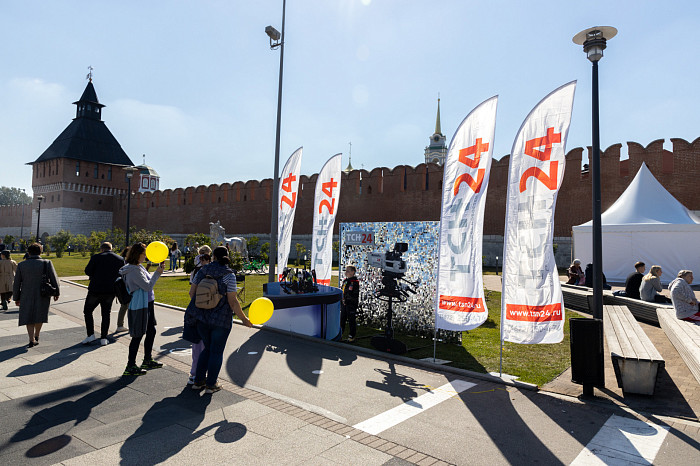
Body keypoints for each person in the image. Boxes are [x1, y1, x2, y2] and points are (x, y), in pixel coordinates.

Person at [190, 246, 252, 393]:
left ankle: (198, 382)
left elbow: (192, 293)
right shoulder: (229, 275)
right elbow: (233, 301)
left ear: (213, 257)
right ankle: (211, 384)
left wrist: (204, 305)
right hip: (221, 319)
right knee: (216, 352)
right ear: (227, 256)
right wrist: (243, 319)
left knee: (207, 348)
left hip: (202, 318)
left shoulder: (202, 271)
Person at [119, 243, 165, 376]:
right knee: (138, 335)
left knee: (151, 330)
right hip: (140, 305)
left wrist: (157, 271)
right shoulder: (133, 270)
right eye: (144, 254)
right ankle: (130, 366)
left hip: (148, 303)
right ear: (137, 254)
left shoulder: (139, 267)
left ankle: (147, 359)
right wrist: (158, 273)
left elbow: (148, 280)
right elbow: (147, 286)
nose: (146, 256)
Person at [13, 243, 59, 347]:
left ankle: (31, 338)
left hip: (26, 294)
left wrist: (16, 297)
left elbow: (16, 283)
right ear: (40, 252)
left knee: (28, 316)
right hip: (43, 293)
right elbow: (54, 279)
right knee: (40, 314)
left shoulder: (21, 265)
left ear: (28, 252)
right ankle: (37, 335)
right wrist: (56, 292)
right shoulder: (47, 263)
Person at [81, 242, 125, 346]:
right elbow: (122, 273)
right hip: (110, 291)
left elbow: (88, 271)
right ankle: (104, 337)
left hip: (95, 289)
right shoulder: (119, 259)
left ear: (102, 249)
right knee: (106, 313)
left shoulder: (96, 257)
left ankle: (90, 335)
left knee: (88, 311)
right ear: (111, 248)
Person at [183, 253, 210, 384]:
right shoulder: (210, 273)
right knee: (205, 345)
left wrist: (196, 303)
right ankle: (201, 374)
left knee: (196, 345)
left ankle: (194, 374)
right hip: (208, 312)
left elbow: (191, 292)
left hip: (196, 310)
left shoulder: (196, 272)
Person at [340, 266, 360, 342]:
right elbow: (343, 290)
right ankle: (340, 334)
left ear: (353, 272)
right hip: (344, 303)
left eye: (348, 271)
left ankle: (352, 336)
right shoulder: (346, 281)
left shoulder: (354, 282)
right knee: (342, 319)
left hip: (351, 304)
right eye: (346, 271)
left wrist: (347, 300)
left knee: (351, 320)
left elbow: (353, 294)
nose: (346, 272)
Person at [114, 247, 130, 333]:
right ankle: (121, 325)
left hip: (124, 287)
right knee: (126, 306)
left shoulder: (124, 261)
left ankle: (120, 325)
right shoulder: (124, 262)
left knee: (125, 306)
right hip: (125, 287)